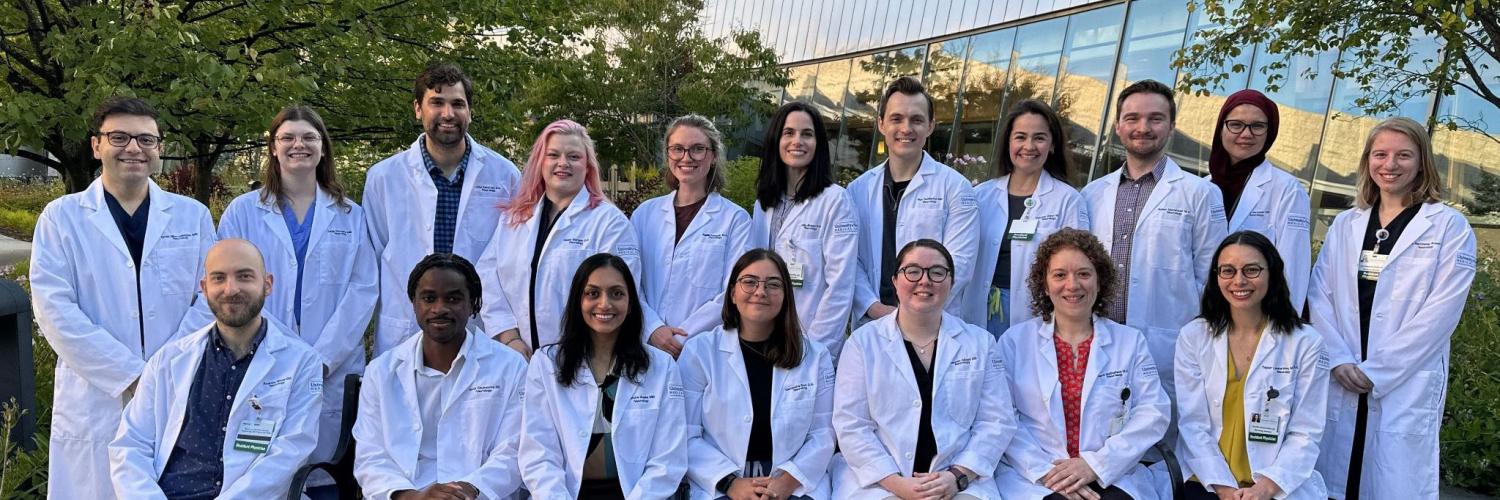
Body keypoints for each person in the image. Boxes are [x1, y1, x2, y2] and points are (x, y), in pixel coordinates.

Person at [31, 96, 217, 499]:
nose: (133, 148)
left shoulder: (192, 216)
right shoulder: (62, 218)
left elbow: (208, 298)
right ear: (97, 146)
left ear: (159, 149)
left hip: (175, 388)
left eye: (146, 140)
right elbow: (55, 311)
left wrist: (165, 371)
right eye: (119, 137)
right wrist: (131, 375)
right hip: (96, 396)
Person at [1310, 117, 1477, 500]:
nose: (1390, 164)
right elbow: (1320, 296)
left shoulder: (1448, 227)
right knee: (1337, 480)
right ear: (1367, 160)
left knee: (1392, 482)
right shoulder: (1346, 224)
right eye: (1380, 154)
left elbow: (1441, 313)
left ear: (1422, 162)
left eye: (1403, 155)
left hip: (1404, 379)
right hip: (1345, 369)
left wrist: (1379, 371)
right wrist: (1337, 358)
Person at [217, 105, 377, 471]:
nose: (297, 145)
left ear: (323, 148)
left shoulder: (351, 215)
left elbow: (363, 290)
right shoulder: (243, 212)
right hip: (261, 359)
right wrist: (274, 350)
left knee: (325, 469)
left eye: (308, 137)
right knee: (258, 466)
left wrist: (321, 359)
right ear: (273, 147)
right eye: (287, 137)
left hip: (332, 365)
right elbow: (231, 287)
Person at [110, 239, 323, 498]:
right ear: (205, 287)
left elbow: (291, 451)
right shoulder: (168, 360)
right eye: (219, 278)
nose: (231, 289)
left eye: (244, 276)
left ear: (267, 284)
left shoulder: (301, 362)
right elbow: (131, 446)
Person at [1080, 79, 1228, 403]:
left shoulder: (1200, 193)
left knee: (1161, 446)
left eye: (1155, 118)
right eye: (1132, 118)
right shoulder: (1091, 194)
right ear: (1118, 126)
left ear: (1171, 126)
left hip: (1168, 347)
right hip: (1099, 342)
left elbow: (1213, 281)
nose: (1143, 127)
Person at [832, 239, 1015, 499]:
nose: (925, 280)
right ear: (895, 281)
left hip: (959, 481)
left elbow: (996, 421)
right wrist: (897, 484)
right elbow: (852, 425)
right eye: (913, 271)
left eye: (937, 272)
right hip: (879, 481)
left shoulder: (980, 343)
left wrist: (957, 477)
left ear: (951, 283)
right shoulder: (863, 343)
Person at [996, 228, 1170, 500]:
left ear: (1100, 282)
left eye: (1084, 274)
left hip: (1111, 473)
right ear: (1044, 284)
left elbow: (1153, 412)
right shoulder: (1014, 342)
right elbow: (1003, 417)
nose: (1072, 284)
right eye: (1059, 275)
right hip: (1037, 477)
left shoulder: (1130, 342)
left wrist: (1095, 465)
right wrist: (1048, 473)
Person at [363, 62, 521, 355]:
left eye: (457, 104)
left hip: (479, 327)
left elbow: (512, 258)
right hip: (405, 328)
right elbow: (372, 261)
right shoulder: (384, 178)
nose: (448, 114)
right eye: (436, 102)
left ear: (470, 112)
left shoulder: (504, 175)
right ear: (418, 109)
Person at [478, 120, 660, 358]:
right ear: (541, 162)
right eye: (553, 154)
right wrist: (508, 336)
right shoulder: (515, 219)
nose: (562, 163)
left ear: (588, 167)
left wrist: (575, 357)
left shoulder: (609, 224)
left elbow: (617, 298)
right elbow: (488, 277)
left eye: (573, 157)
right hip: (516, 358)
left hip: (581, 362)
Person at [353, 253, 528, 500]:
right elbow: (371, 454)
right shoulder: (381, 372)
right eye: (428, 298)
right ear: (414, 303)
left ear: (474, 305)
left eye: (454, 298)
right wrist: (411, 496)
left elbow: (513, 450)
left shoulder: (510, 367)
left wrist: (467, 490)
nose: (440, 308)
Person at [1175, 231, 1330, 500]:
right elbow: (1193, 425)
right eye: (1228, 271)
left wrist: (1265, 488)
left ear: (1272, 273)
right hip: (1207, 478)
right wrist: (1225, 490)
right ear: (1216, 277)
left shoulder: (1305, 343)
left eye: (1252, 270)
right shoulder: (1194, 336)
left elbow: (1306, 431)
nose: (1239, 281)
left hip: (1273, 481)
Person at [518, 253, 686, 499]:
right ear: (578, 300)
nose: (605, 304)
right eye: (593, 293)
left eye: (617, 293)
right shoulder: (546, 364)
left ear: (631, 304)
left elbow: (668, 459)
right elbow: (538, 453)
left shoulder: (661, 367)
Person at [679, 249, 836, 499]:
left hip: (794, 486)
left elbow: (823, 433)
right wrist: (731, 483)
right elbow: (686, 433)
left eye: (773, 284)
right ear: (732, 293)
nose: (760, 291)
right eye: (749, 282)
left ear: (786, 296)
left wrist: (786, 481)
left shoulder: (816, 357)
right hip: (721, 487)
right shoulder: (699, 353)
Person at [847, 77, 979, 324]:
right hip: (873, 324)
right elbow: (849, 261)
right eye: (896, 119)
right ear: (881, 124)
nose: (906, 128)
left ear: (930, 126)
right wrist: (874, 308)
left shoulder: (956, 188)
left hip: (934, 324)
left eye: (916, 120)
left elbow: (959, 263)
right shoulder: (857, 191)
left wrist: (911, 314)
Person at [961, 100, 1092, 335]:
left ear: (1052, 145)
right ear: (1008, 142)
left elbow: (1076, 264)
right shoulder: (981, 195)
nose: (1028, 146)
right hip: (979, 306)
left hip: (1035, 314)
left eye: (1039, 138)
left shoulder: (1068, 200)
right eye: (1020, 137)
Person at [632, 114, 752, 356]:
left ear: (713, 155)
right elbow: (629, 280)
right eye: (677, 149)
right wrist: (653, 329)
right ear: (668, 154)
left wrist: (681, 337)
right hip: (646, 344)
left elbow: (734, 291)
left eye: (698, 149)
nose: (686, 157)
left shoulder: (735, 220)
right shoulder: (644, 214)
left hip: (704, 348)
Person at [749, 101, 860, 357]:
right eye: (789, 133)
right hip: (765, 336)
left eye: (807, 134)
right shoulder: (764, 203)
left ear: (818, 144)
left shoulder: (835, 200)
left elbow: (841, 285)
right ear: (777, 140)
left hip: (811, 337)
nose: (797, 141)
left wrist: (815, 349)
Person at [1207, 90, 1312, 313]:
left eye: (1257, 126)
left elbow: (1294, 265)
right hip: (1206, 312)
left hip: (1260, 315)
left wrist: (1282, 325)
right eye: (1236, 124)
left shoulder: (1287, 189)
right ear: (1221, 127)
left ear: (1269, 132)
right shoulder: (1203, 186)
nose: (1246, 134)